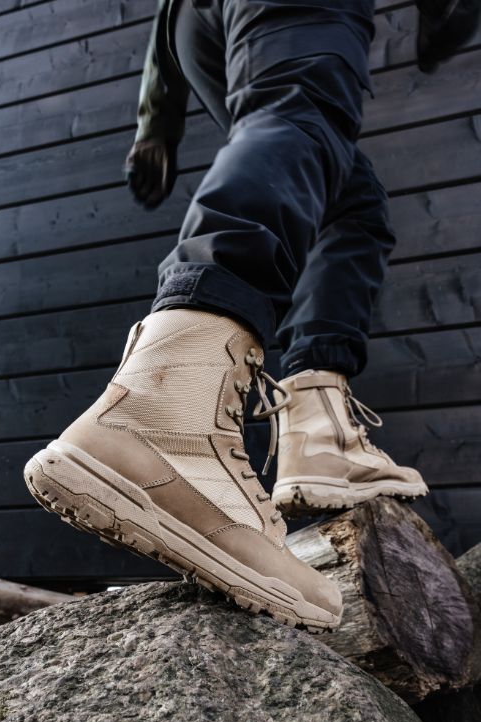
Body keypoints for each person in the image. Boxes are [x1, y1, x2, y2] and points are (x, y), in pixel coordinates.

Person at [24, 0, 474, 631]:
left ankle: (316, 425)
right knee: (303, 108)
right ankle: (165, 405)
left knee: (351, 201)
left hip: (193, 26)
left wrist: (156, 118)